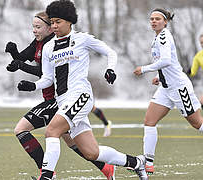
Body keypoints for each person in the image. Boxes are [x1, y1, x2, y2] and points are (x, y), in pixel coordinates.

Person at [17, 1, 148, 179]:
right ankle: (137, 162)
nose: (54, 26)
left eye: (58, 22)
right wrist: (33, 85)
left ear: (70, 21)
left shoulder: (82, 39)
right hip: (62, 100)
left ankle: (46, 176)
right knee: (91, 153)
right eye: (53, 22)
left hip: (80, 95)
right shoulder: (48, 47)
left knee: (52, 131)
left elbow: (110, 52)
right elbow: (48, 78)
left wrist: (110, 69)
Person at [5, 11, 115, 179]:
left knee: (21, 129)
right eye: (33, 27)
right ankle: (106, 168)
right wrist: (14, 54)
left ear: (50, 28)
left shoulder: (54, 44)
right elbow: (23, 59)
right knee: (73, 143)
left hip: (59, 99)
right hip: (52, 99)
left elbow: (44, 73)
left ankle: (47, 173)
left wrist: (21, 67)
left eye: (38, 27)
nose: (34, 30)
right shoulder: (38, 43)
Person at [133, 8, 203, 175]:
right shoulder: (157, 37)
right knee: (149, 121)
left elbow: (165, 60)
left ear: (165, 22)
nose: (154, 21)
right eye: (151, 19)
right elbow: (169, 63)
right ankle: (147, 162)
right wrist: (159, 76)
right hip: (166, 88)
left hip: (179, 87)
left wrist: (144, 69)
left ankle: (147, 162)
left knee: (197, 124)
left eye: (157, 19)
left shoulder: (164, 36)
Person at [188, 34, 203, 110]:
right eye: (201, 43)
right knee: (202, 102)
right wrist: (186, 72)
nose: (202, 44)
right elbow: (193, 71)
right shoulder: (198, 56)